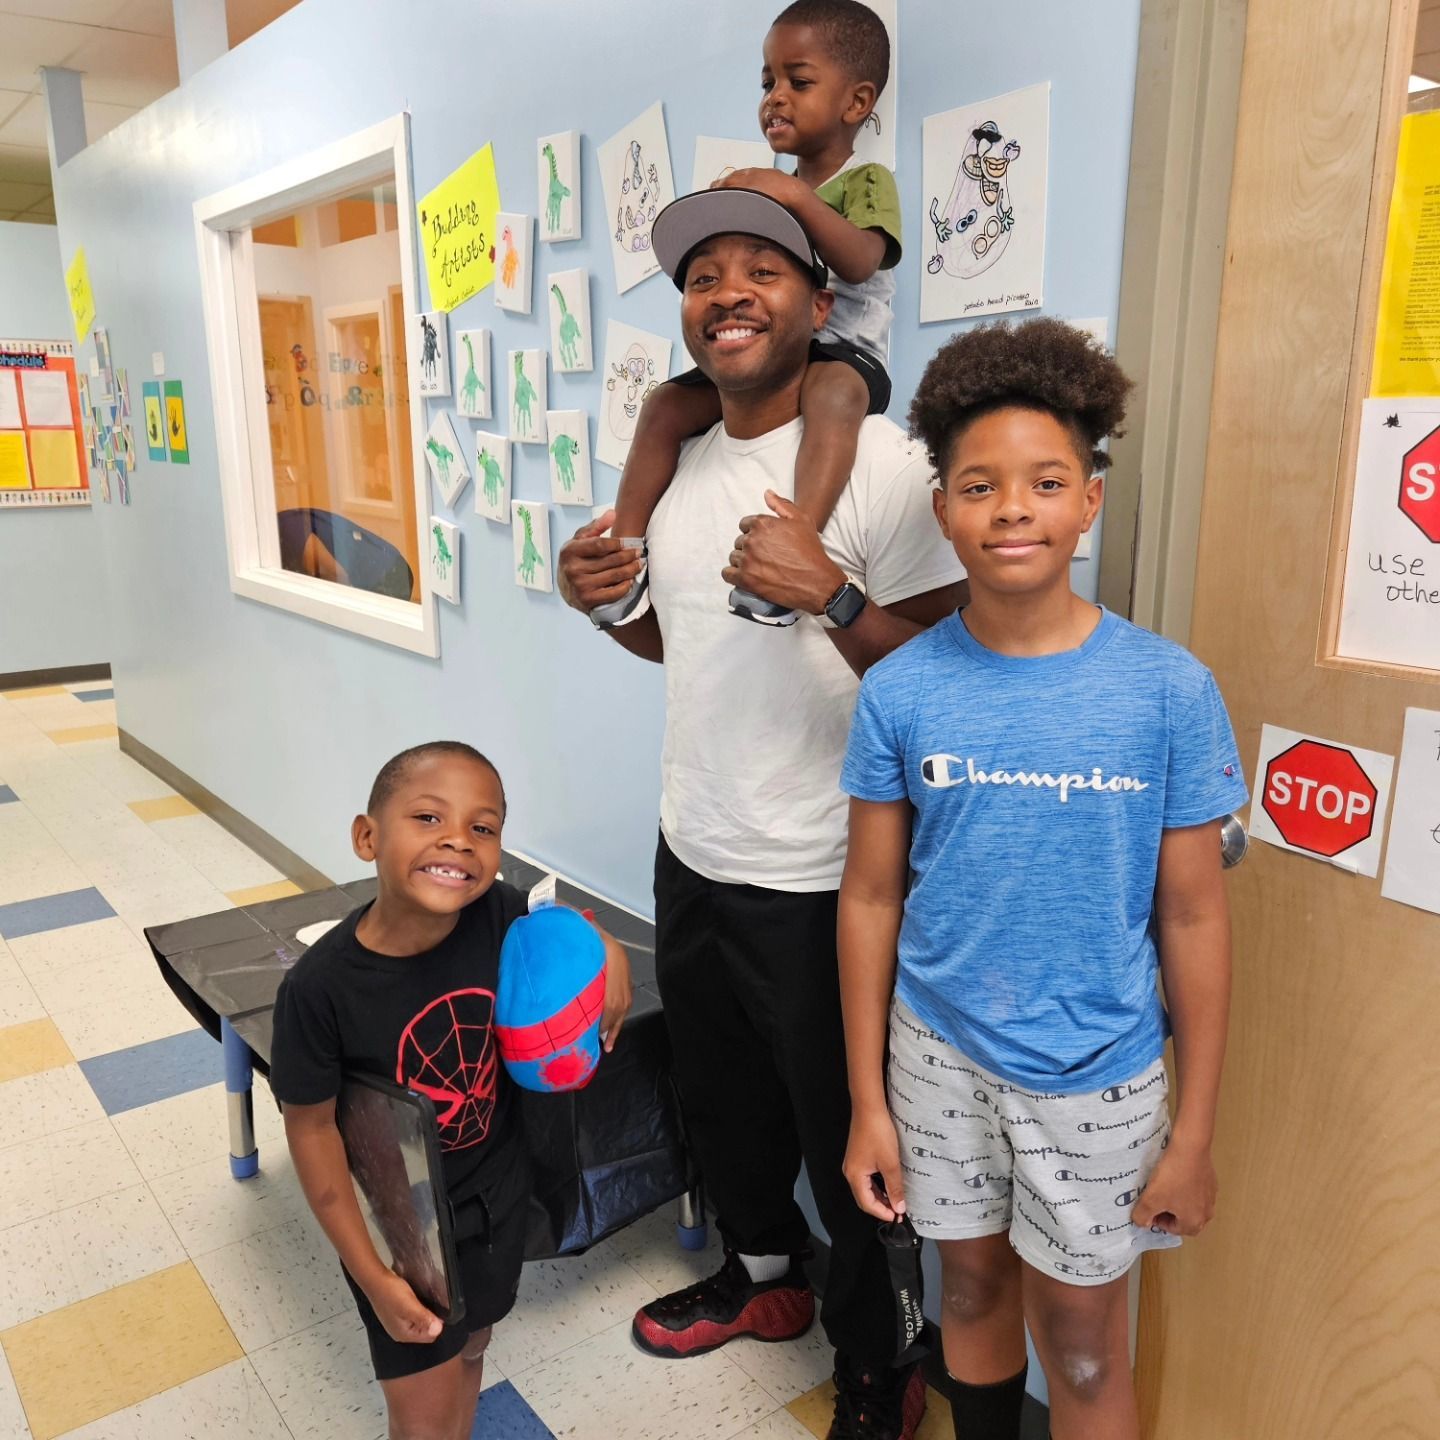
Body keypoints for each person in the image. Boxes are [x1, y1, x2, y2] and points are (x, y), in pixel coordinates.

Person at [558, 186, 965, 1440]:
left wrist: (832, 594)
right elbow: (675, 645)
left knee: (851, 1145)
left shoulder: (891, 467)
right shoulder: (674, 463)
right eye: (703, 277)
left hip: (829, 878)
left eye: (760, 272)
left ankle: (875, 1367)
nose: (727, 294)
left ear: (819, 304)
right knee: (724, 1101)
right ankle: (762, 1277)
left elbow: (958, 696)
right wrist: (604, 607)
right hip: (697, 845)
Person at [837, 318, 1248, 1440]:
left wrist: (1194, 1135)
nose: (1012, 506)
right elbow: (871, 896)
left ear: (1089, 503)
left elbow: (1194, 911)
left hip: (1098, 1076)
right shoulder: (903, 691)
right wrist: (871, 1104)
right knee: (966, 1290)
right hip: (936, 1052)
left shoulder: (1168, 691)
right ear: (944, 511)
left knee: (1078, 1343)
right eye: (980, 484)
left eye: (1045, 481)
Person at [270, 742, 633, 1440]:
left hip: (494, 1197)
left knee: (471, 1348)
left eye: (483, 827)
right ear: (367, 837)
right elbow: (311, 1130)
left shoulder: (496, 914)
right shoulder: (319, 991)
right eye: (429, 817)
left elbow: (565, 928)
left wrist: (607, 951)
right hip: (405, 1234)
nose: (457, 841)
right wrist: (372, 1275)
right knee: (422, 1420)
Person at [596, 0, 902, 629]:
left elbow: (862, 260)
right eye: (767, 83)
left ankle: (795, 544)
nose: (776, 97)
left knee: (835, 395)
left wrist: (791, 194)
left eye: (799, 80)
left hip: (845, 354)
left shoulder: (865, 180)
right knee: (663, 406)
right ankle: (621, 562)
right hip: (775, 363)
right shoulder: (773, 191)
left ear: (857, 102)